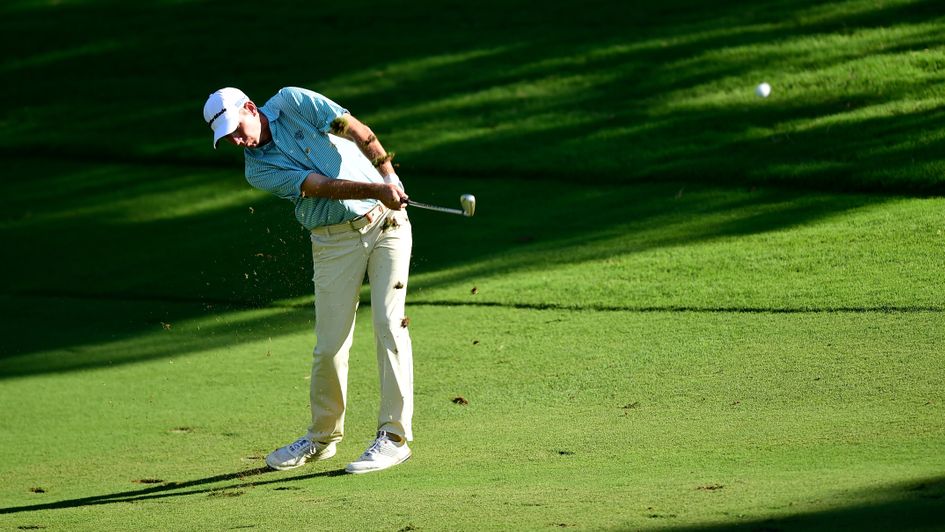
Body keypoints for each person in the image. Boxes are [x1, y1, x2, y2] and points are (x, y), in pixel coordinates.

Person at [203, 86, 414, 474]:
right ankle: (322, 438)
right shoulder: (257, 170)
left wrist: (389, 176)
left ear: (250, 107)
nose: (236, 141)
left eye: (236, 129)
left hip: (388, 225)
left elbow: (354, 129)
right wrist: (378, 189)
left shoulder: (293, 101)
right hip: (333, 242)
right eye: (227, 138)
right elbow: (319, 186)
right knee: (330, 346)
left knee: (389, 324)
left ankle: (394, 437)